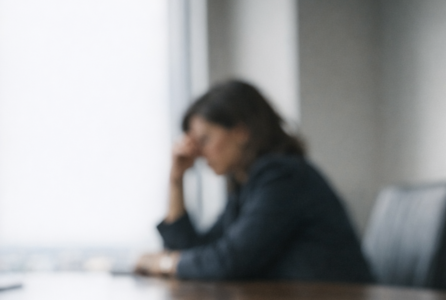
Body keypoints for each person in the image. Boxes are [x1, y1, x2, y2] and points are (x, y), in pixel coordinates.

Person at [135, 80, 373, 283]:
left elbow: (230, 261)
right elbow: (197, 252)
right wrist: (176, 180)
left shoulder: (283, 177)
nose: (198, 154)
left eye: (205, 139)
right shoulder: (247, 186)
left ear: (241, 132)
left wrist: (165, 262)